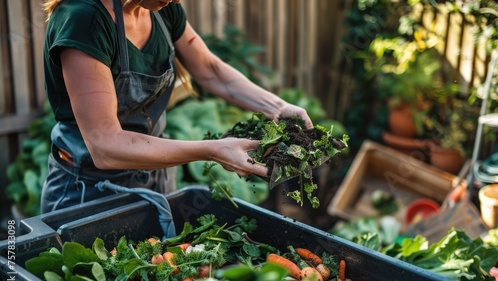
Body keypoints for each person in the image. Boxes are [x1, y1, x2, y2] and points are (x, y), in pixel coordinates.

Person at [40, 0, 313, 216]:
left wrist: (277, 107)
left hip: (155, 178)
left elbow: (209, 70)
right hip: (90, 192)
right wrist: (211, 150)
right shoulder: (83, 19)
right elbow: (105, 146)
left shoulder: (161, 9)